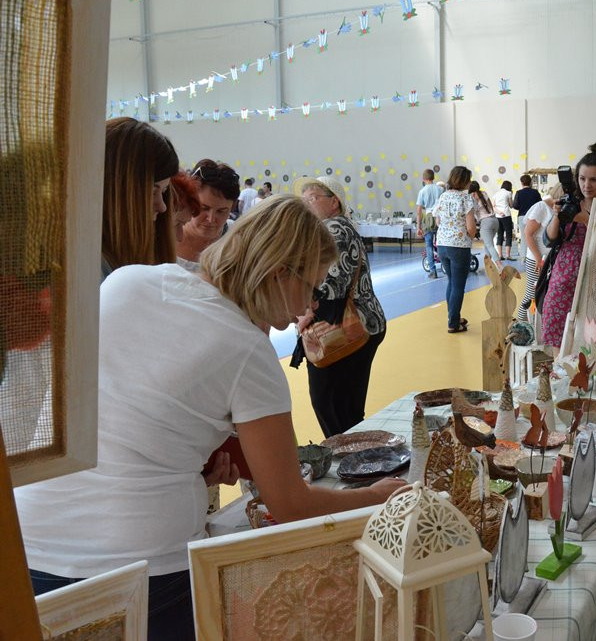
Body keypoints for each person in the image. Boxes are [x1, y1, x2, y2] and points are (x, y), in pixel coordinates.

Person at [15, 197, 406, 641]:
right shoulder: (248, 352)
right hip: (140, 564)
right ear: (279, 273)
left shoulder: (128, 280)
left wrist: (185, 459)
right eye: (312, 286)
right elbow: (291, 504)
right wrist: (375, 496)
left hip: (31, 541)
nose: (310, 305)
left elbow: (127, 410)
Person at [292, 176, 387, 438]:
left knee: (331, 404)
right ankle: (358, 460)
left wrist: (303, 311)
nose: (306, 204)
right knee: (347, 407)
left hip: (342, 328)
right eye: (304, 200)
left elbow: (330, 283)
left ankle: (349, 459)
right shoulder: (338, 227)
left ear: (334, 202)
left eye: (312, 198)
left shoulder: (333, 229)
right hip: (360, 323)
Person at [540, 142, 596, 349]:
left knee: (589, 343)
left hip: (594, 280)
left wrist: (584, 219)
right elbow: (548, 240)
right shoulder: (571, 202)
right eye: (582, 178)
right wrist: (557, 216)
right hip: (562, 278)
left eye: (594, 179)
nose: (587, 184)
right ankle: (559, 380)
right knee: (556, 338)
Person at [101, 117, 180, 281]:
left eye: (164, 191)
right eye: (152, 192)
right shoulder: (89, 269)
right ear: (116, 191)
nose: (162, 207)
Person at [433, 166, 477, 333]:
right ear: (465, 181)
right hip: (459, 246)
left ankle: (454, 317)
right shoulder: (466, 199)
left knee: (451, 282)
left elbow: (437, 221)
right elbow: (471, 228)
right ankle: (453, 323)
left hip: (442, 245)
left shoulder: (443, 197)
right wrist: (470, 235)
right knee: (458, 286)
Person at [176, 159, 240, 264]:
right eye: (204, 208)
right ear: (189, 201)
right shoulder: (165, 235)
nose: (211, 219)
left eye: (221, 211)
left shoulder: (235, 238)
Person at [517, 187, 556, 322]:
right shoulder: (541, 207)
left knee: (543, 293)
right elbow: (528, 234)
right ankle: (520, 323)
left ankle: (535, 325)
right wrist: (539, 258)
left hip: (548, 259)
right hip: (536, 259)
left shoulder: (555, 209)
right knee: (531, 293)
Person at [416, 169, 444, 279]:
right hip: (440, 217)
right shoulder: (441, 189)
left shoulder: (422, 191)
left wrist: (418, 227)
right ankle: (445, 265)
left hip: (428, 218)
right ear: (433, 177)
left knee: (429, 245)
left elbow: (418, 211)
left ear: (424, 179)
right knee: (441, 243)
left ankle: (433, 271)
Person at [513, 174, 542, 262]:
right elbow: (540, 204)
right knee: (533, 236)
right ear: (530, 182)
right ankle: (533, 256)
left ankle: (523, 257)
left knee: (524, 236)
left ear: (522, 183)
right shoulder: (535, 192)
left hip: (522, 216)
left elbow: (515, 205)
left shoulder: (518, 193)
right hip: (533, 216)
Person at [470, 180, 500, 263]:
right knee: (488, 244)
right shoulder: (484, 193)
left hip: (485, 222)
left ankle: (500, 266)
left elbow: (472, 214)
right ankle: (489, 265)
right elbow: (491, 206)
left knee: (490, 245)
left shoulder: (472, 198)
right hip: (495, 220)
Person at [493, 180, 514, 260]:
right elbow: (511, 205)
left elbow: (493, 206)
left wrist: (499, 212)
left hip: (498, 216)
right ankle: (508, 255)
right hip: (506, 216)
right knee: (508, 235)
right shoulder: (508, 193)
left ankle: (500, 255)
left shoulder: (496, 194)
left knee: (499, 235)